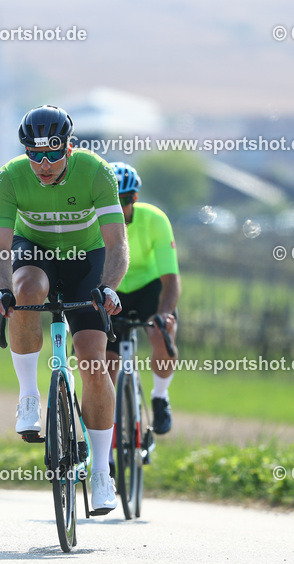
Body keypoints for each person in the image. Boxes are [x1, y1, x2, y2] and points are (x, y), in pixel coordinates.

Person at [0, 105, 127, 514]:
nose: (43, 164)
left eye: (52, 153)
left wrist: (108, 289)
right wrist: (0, 291)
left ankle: (101, 471)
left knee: (93, 363)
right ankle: (29, 397)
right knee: (25, 287)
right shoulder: (9, 177)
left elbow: (117, 245)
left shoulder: (95, 172)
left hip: (87, 260)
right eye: (35, 154)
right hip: (37, 253)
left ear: (69, 146)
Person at [105, 162, 180, 434]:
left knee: (162, 332)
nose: (118, 208)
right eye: (110, 201)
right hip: (112, 289)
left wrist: (163, 314)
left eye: (123, 201)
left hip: (148, 288)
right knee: (105, 363)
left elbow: (170, 279)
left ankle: (160, 396)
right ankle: (107, 438)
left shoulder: (155, 220)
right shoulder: (92, 223)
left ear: (134, 198)